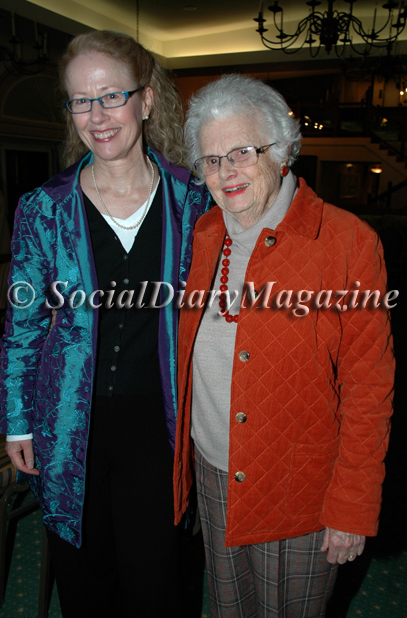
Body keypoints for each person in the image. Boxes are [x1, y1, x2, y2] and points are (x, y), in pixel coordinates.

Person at [0, 30, 210, 618]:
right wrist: (18, 421)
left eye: (111, 95)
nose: (96, 116)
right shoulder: (43, 207)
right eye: (80, 101)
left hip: (163, 424)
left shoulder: (194, 200)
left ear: (146, 100)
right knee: (86, 581)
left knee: (158, 581)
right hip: (68, 422)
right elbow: (24, 324)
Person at [173, 74, 395, 618]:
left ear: (283, 148)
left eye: (242, 151)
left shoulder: (346, 241)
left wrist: (352, 505)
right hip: (214, 468)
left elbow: (370, 387)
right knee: (228, 607)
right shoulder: (204, 234)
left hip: (298, 486)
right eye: (211, 159)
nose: (227, 171)